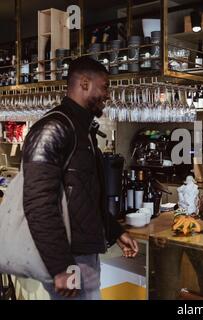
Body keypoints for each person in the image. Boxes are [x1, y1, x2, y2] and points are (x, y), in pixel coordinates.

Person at [22, 56, 138, 300]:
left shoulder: (81, 129)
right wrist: (61, 267)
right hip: (68, 255)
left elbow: (84, 196)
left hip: (81, 253)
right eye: (104, 86)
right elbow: (38, 203)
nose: (107, 95)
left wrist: (115, 231)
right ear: (84, 83)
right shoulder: (54, 127)